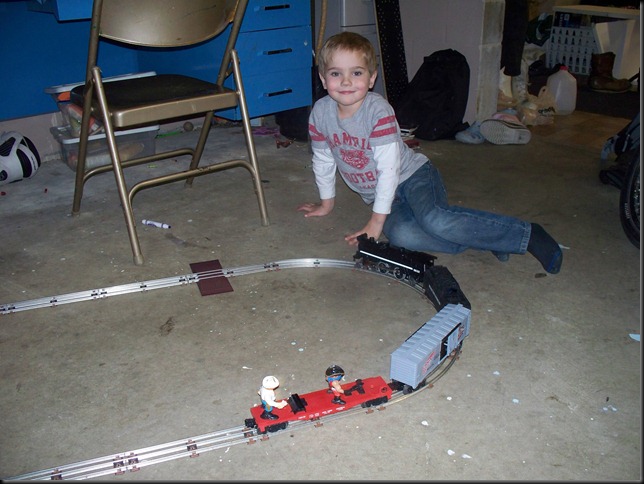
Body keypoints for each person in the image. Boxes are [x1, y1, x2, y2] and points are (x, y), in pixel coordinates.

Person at [297, 32, 563, 274]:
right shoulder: (320, 114)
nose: (346, 81)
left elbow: (389, 170)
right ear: (323, 79)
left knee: (435, 220)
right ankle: (487, 239)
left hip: (413, 176)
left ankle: (526, 235)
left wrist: (376, 222)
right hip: (381, 195)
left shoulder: (378, 112)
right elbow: (323, 159)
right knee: (402, 236)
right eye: (336, 73)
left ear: (372, 78)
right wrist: (327, 203)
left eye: (356, 72)